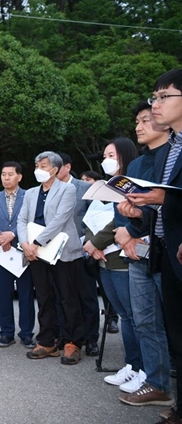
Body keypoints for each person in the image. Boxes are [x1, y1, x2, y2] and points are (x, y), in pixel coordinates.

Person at [123, 70, 182, 422]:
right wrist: (136, 213)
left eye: (163, 97)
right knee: (172, 331)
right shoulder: (174, 147)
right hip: (164, 249)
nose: (155, 105)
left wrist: (160, 199)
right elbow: (166, 202)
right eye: (154, 98)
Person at [112, 101, 172, 407]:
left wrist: (135, 227)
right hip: (136, 252)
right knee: (145, 320)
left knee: (172, 320)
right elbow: (125, 207)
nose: (139, 126)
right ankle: (157, 382)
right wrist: (126, 232)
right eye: (137, 120)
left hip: (166, 249)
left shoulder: (173, 158)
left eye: (145, 120)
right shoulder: (135, 165)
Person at [84, 138, 145, 391]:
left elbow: (116, 221)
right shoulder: (107, 186)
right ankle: (131, 364)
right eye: (104, 155)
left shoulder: (131, 185)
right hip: (104, 259)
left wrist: (95, 242)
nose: (106, 160)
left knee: (134, 316)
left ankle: (141, 367)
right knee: (123, 314)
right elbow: (89, 218)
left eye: (112, 155)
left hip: (122, 257)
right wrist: (92, 243)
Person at [18, 151, 84, 365]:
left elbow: (60, 219)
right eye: (37, 165)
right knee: (44, 297)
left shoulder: (68, 189)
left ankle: (72, 342)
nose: (39, 169)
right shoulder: (30, 193)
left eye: (44, 165)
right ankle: (47, 341)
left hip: (61, 250)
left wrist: (37, 242)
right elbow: (21, 219)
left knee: (67, 296)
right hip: (35, 253)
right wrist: (25, 244)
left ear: (55, 169)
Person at [0, 161, 35, 349]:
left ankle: (27, 334)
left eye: (10, 174)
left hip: (24, 252)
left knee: (26, 295)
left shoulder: (29, 195)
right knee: (3, 296)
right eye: (3, 174)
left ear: (19, 176)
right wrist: (0, 236)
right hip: (1, 253)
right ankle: (6, 333)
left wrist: (12, 234)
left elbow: (31, 221)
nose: (6, 177)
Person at [57, 152, 103, 356]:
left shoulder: (85, 189)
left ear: (67, 166)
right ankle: (68, 335)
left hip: (83, 251)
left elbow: (97, 219)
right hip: (57, 253)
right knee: (64, 297)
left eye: (54, 167)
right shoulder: (47, 191)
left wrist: (88, 242)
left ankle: (91, 338)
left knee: (87, 297)